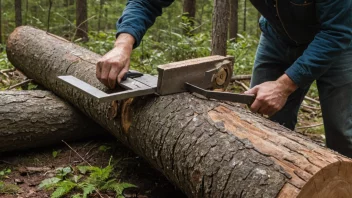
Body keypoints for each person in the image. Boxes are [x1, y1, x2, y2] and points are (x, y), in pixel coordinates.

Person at [96, 0, 352, 157]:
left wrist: (285, 85)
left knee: (343, 132)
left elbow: (336, 33)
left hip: (338, 43)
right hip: (277, 38)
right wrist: (123, 43)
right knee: (266, 128)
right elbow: (147, 1)